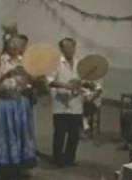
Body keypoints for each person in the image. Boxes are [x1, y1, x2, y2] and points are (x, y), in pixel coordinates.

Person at [0, 37, 37, 179]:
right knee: (6, 133)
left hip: (22, 102)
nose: (14, 47)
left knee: (21, 133)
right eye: (11, 44)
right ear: (6, 46)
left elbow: (31, 82)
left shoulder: (24, 61)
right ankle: (6, 166)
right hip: (5, 103)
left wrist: (32, 78)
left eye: (17, 45)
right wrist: (6, 75)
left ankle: (20, 164)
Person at [47, 37, 83, 167]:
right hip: (60, 104)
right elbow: (49, 81)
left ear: (74, 47)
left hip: (76, 103)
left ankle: (70, 158)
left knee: (74, 134)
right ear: (61, 49)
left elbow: (82, 81)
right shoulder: (56, 63)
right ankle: (57, 159)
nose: (69, 50)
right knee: (60, 133)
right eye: (66, 47)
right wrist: (66, 86)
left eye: (71, 47)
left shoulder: (80, 64)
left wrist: (84, 85)